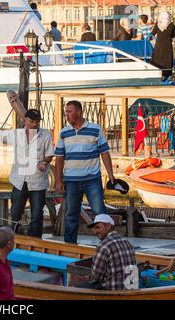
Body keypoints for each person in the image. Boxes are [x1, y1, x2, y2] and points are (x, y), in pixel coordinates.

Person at [0, 100, 55, 238]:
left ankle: (35, 241)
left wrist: (44, 162)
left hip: (38, 182)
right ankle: (11, 239)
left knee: (37, 214)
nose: (35, 124)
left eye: (37, 122)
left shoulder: (45, 135)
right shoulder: (16, 134)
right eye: (32, 121)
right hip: (19, 181)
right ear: (26, 120)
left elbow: (50, 154)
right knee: (15, 213)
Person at [55, 100, 115, 244]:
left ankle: (107, 244)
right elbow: (59, 158)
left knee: (100, 213)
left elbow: (105, 153)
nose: (66, 114)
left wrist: (111, 174)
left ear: (79, 112)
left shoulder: (95, 129)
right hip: (71, 181)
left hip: (92, 180)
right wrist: (58, 180)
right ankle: (70, 246)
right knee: (71, 214)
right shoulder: (64, 132)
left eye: (69, 111)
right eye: (66, 111)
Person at [79, 214, 137, 290]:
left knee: (78, 287)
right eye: (94, 228)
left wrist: (87, 278)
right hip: (130, 291)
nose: (95, 232)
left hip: (112, 292)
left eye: (98, 228)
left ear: (108, 226)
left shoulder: (103, 246)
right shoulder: (127, 243)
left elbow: (95, 278)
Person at [151, 11, 175, 80]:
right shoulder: (171, 25)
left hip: (158, 46)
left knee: (158, 60)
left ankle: (158, 75)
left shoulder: (158, 24)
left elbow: (152, 34)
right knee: (167, 60)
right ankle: (167, 76)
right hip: (168, 46)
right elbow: (173, 36)